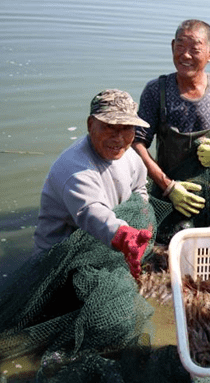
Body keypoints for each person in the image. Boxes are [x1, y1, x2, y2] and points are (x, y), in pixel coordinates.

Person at [133, 19, 210, 218]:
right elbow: (137, 144)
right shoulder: (156, 91)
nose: (185, 55)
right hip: (171, 193)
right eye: (180, 46)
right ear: (172, 46)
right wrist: (168, 187)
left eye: (195, 49)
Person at [34, 89, 153, 279]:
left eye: (126, 127)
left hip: (106, 241)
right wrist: (125, 237)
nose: (118, 138)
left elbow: (139, 188)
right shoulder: (73, 167)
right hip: (62, 257)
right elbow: (90, 211)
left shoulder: (130, 156)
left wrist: (144, 218)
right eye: (109, 127)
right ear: (91, 124)